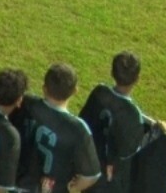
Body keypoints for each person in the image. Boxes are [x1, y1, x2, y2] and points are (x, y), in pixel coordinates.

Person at [80, 52, 166, 193]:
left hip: (88, 167)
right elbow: (131, 152)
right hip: (108, 181)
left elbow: (83, 123)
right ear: (137, 79)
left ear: (112, 72)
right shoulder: (132, 114)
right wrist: (156, 131)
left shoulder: (99, 92)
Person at [15, 64, 101, 193]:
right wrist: (71, 188)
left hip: (16, 185)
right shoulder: (77, 128)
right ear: (75, 91)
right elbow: (90, 176)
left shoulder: (25, 103)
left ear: (44, 88)